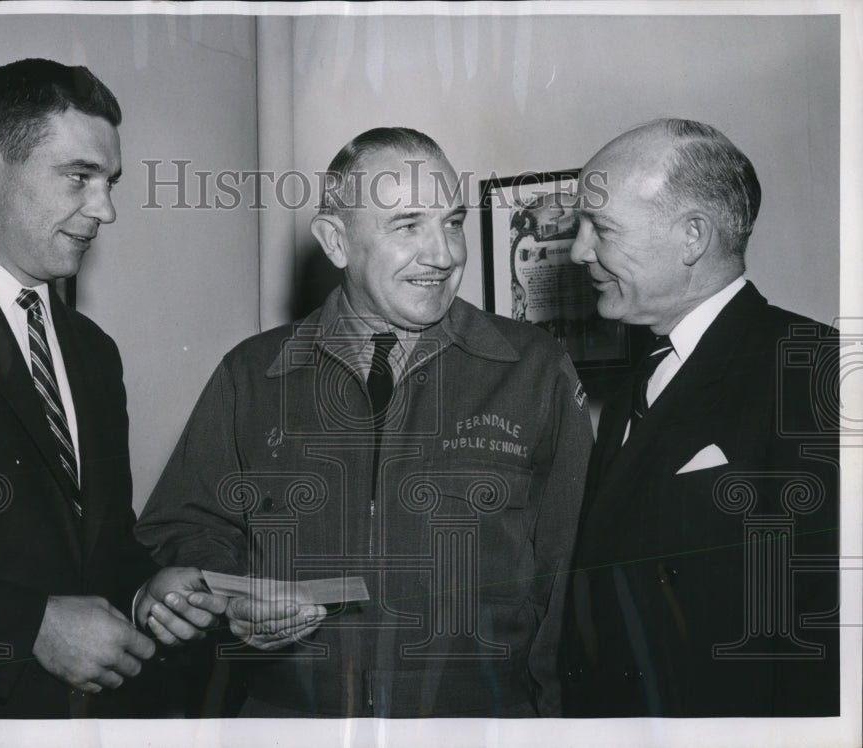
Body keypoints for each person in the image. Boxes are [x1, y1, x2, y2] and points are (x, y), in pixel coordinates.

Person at [135, 127, 594, 718]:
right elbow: (183, 524)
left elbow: (574, 581)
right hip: (292, 722)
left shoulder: (534, 369)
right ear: (335, 241)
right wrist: (231, 591)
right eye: (408, 225)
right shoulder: (252, 374)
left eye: (452, 222)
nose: (445, 254)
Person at [0, 58, 227, 718]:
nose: (105, 209)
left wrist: (149, 589)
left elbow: (104, 546)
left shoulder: (92, 352)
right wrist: (27, 627)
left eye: (110, 182)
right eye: (80, 177)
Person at [560, 118, 840, 717]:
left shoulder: (814, 372)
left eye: (600, 229)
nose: (579, 250)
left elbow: (827, 631)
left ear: (692, 237)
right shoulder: (639, 382)